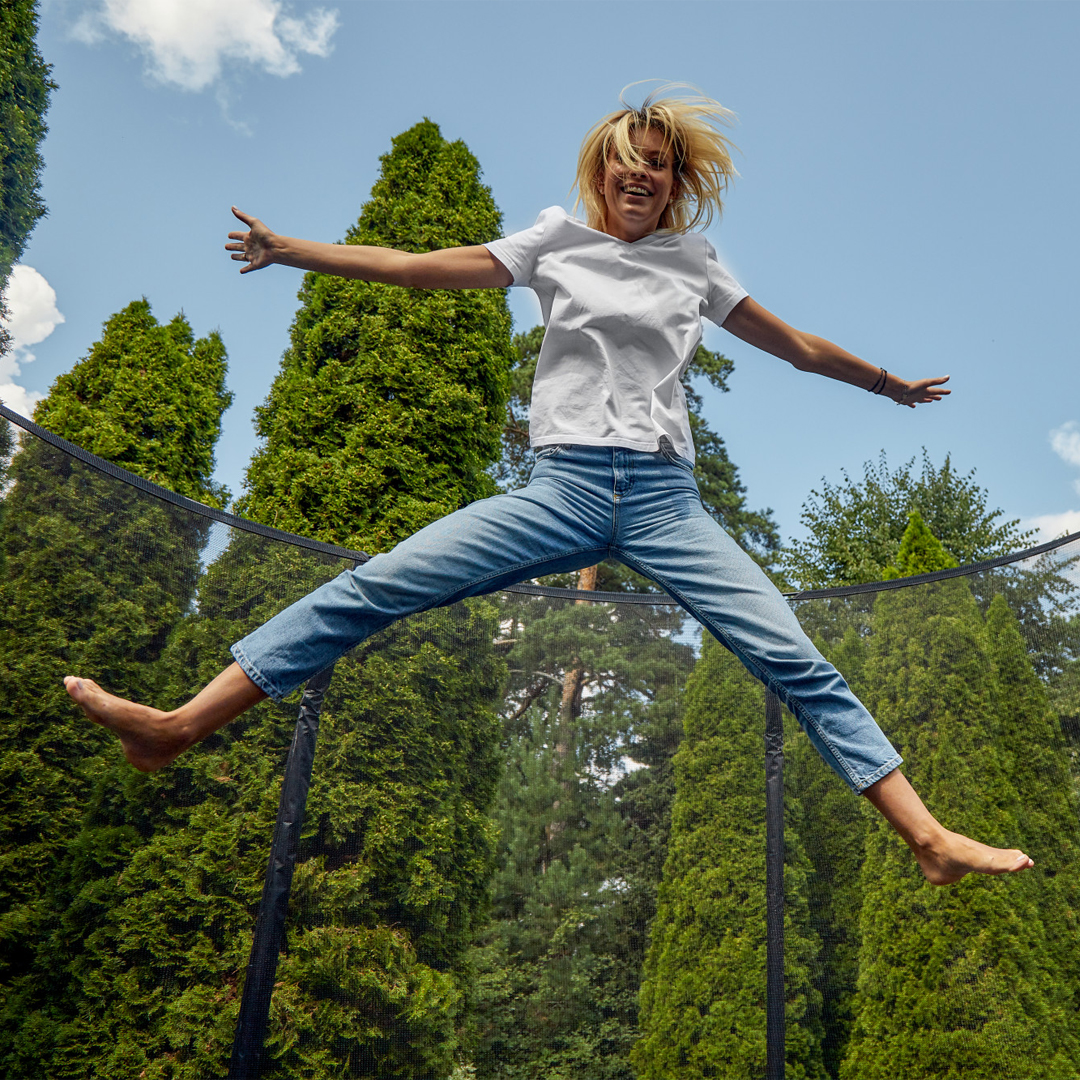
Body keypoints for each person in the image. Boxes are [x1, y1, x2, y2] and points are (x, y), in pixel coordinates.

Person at [65, 86, 1032, 887]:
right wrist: (292, 251)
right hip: (559, 487)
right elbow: (415, 270)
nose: (640, 173)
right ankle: (178, 726)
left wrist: (885, 383)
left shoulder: (694, 263)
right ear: (602, 172)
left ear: (676, 182)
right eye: (626, 160)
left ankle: (928, 838)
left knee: (792, 656)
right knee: (376, 586)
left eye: (657, 163)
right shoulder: (552, 242)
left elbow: (795, 346)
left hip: (664, 501)